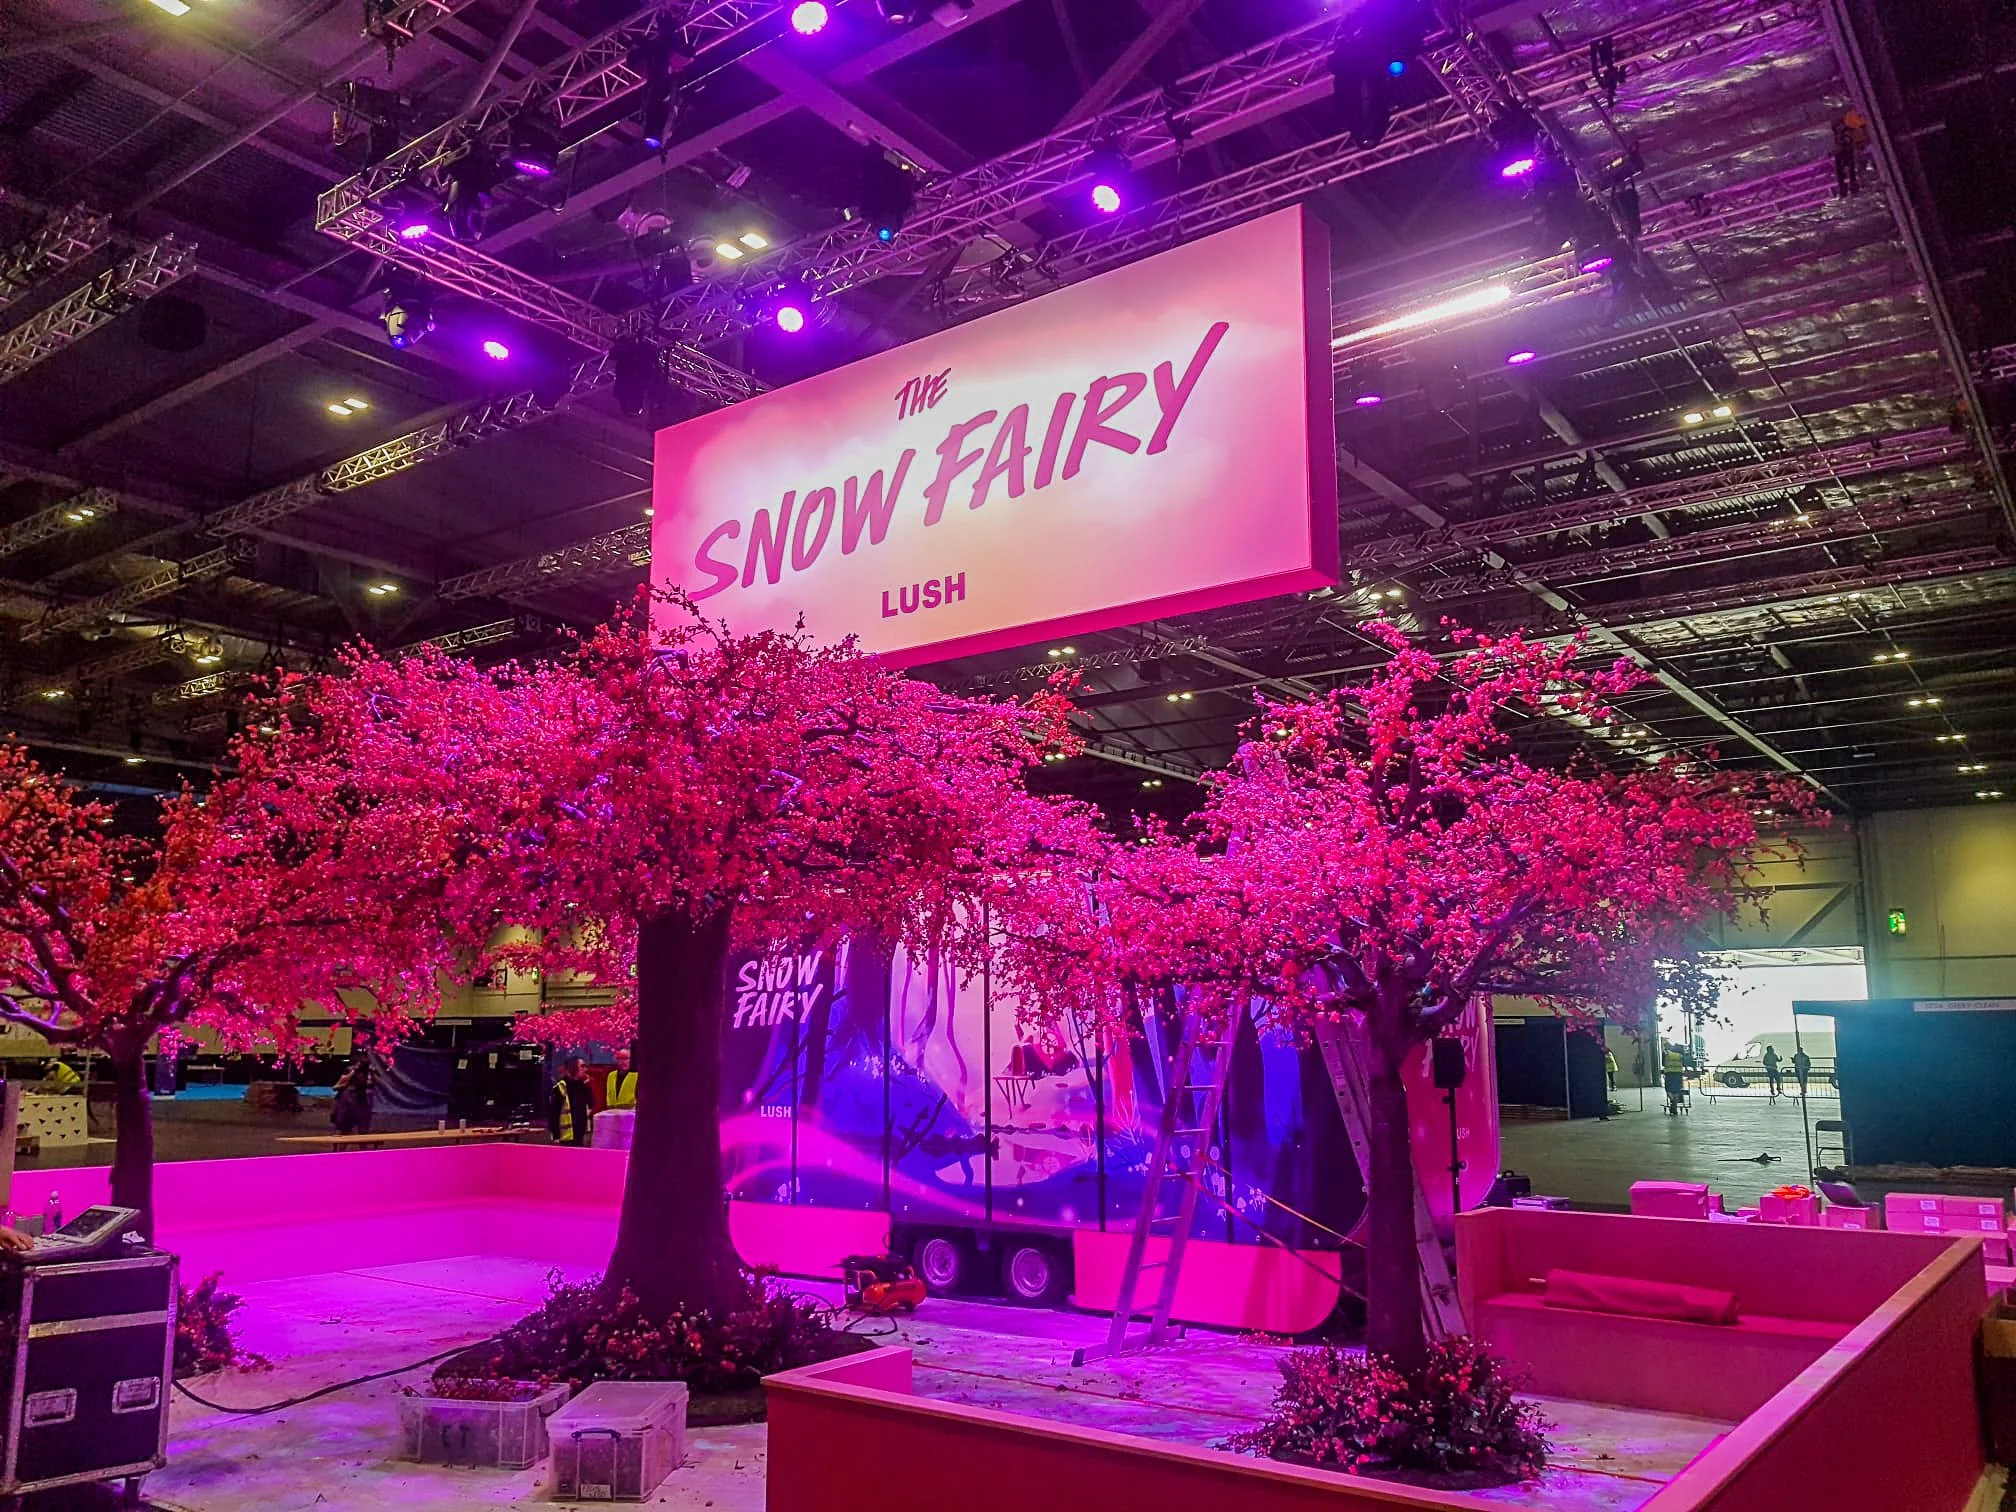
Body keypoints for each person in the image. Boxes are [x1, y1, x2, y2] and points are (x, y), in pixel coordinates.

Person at [548, 1056, 594, 1146]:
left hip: (580, 1135)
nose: (585, 1069)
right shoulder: (560, 1087)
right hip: (564, 1138)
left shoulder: (582, 1086)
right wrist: (556, 1136)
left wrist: (587, 1084)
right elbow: (553, 1114)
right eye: (582, 1066)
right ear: (573, 1067)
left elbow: (591, 1102)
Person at [331, 1050, 374, 1136]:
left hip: (360, 1100)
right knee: (345, 1127)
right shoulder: (348, 1075)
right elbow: (335, 1087)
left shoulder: (366, 1075)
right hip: (347, 1101)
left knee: (362, 1127)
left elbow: (373, 1083)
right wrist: (352, 1073)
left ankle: (363, 1146)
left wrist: (371, 1072)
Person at [1661, 1042, 1688, 1116]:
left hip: (1669, 1073)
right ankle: (1674, 1106)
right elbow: (1684, 1063)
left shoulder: (1666, 1053)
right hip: (1678, 1073)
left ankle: (1672, 1101)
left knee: (1668, 1089)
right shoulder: (1679, 1055)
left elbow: (1663, 1063)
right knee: (1676, 1090)